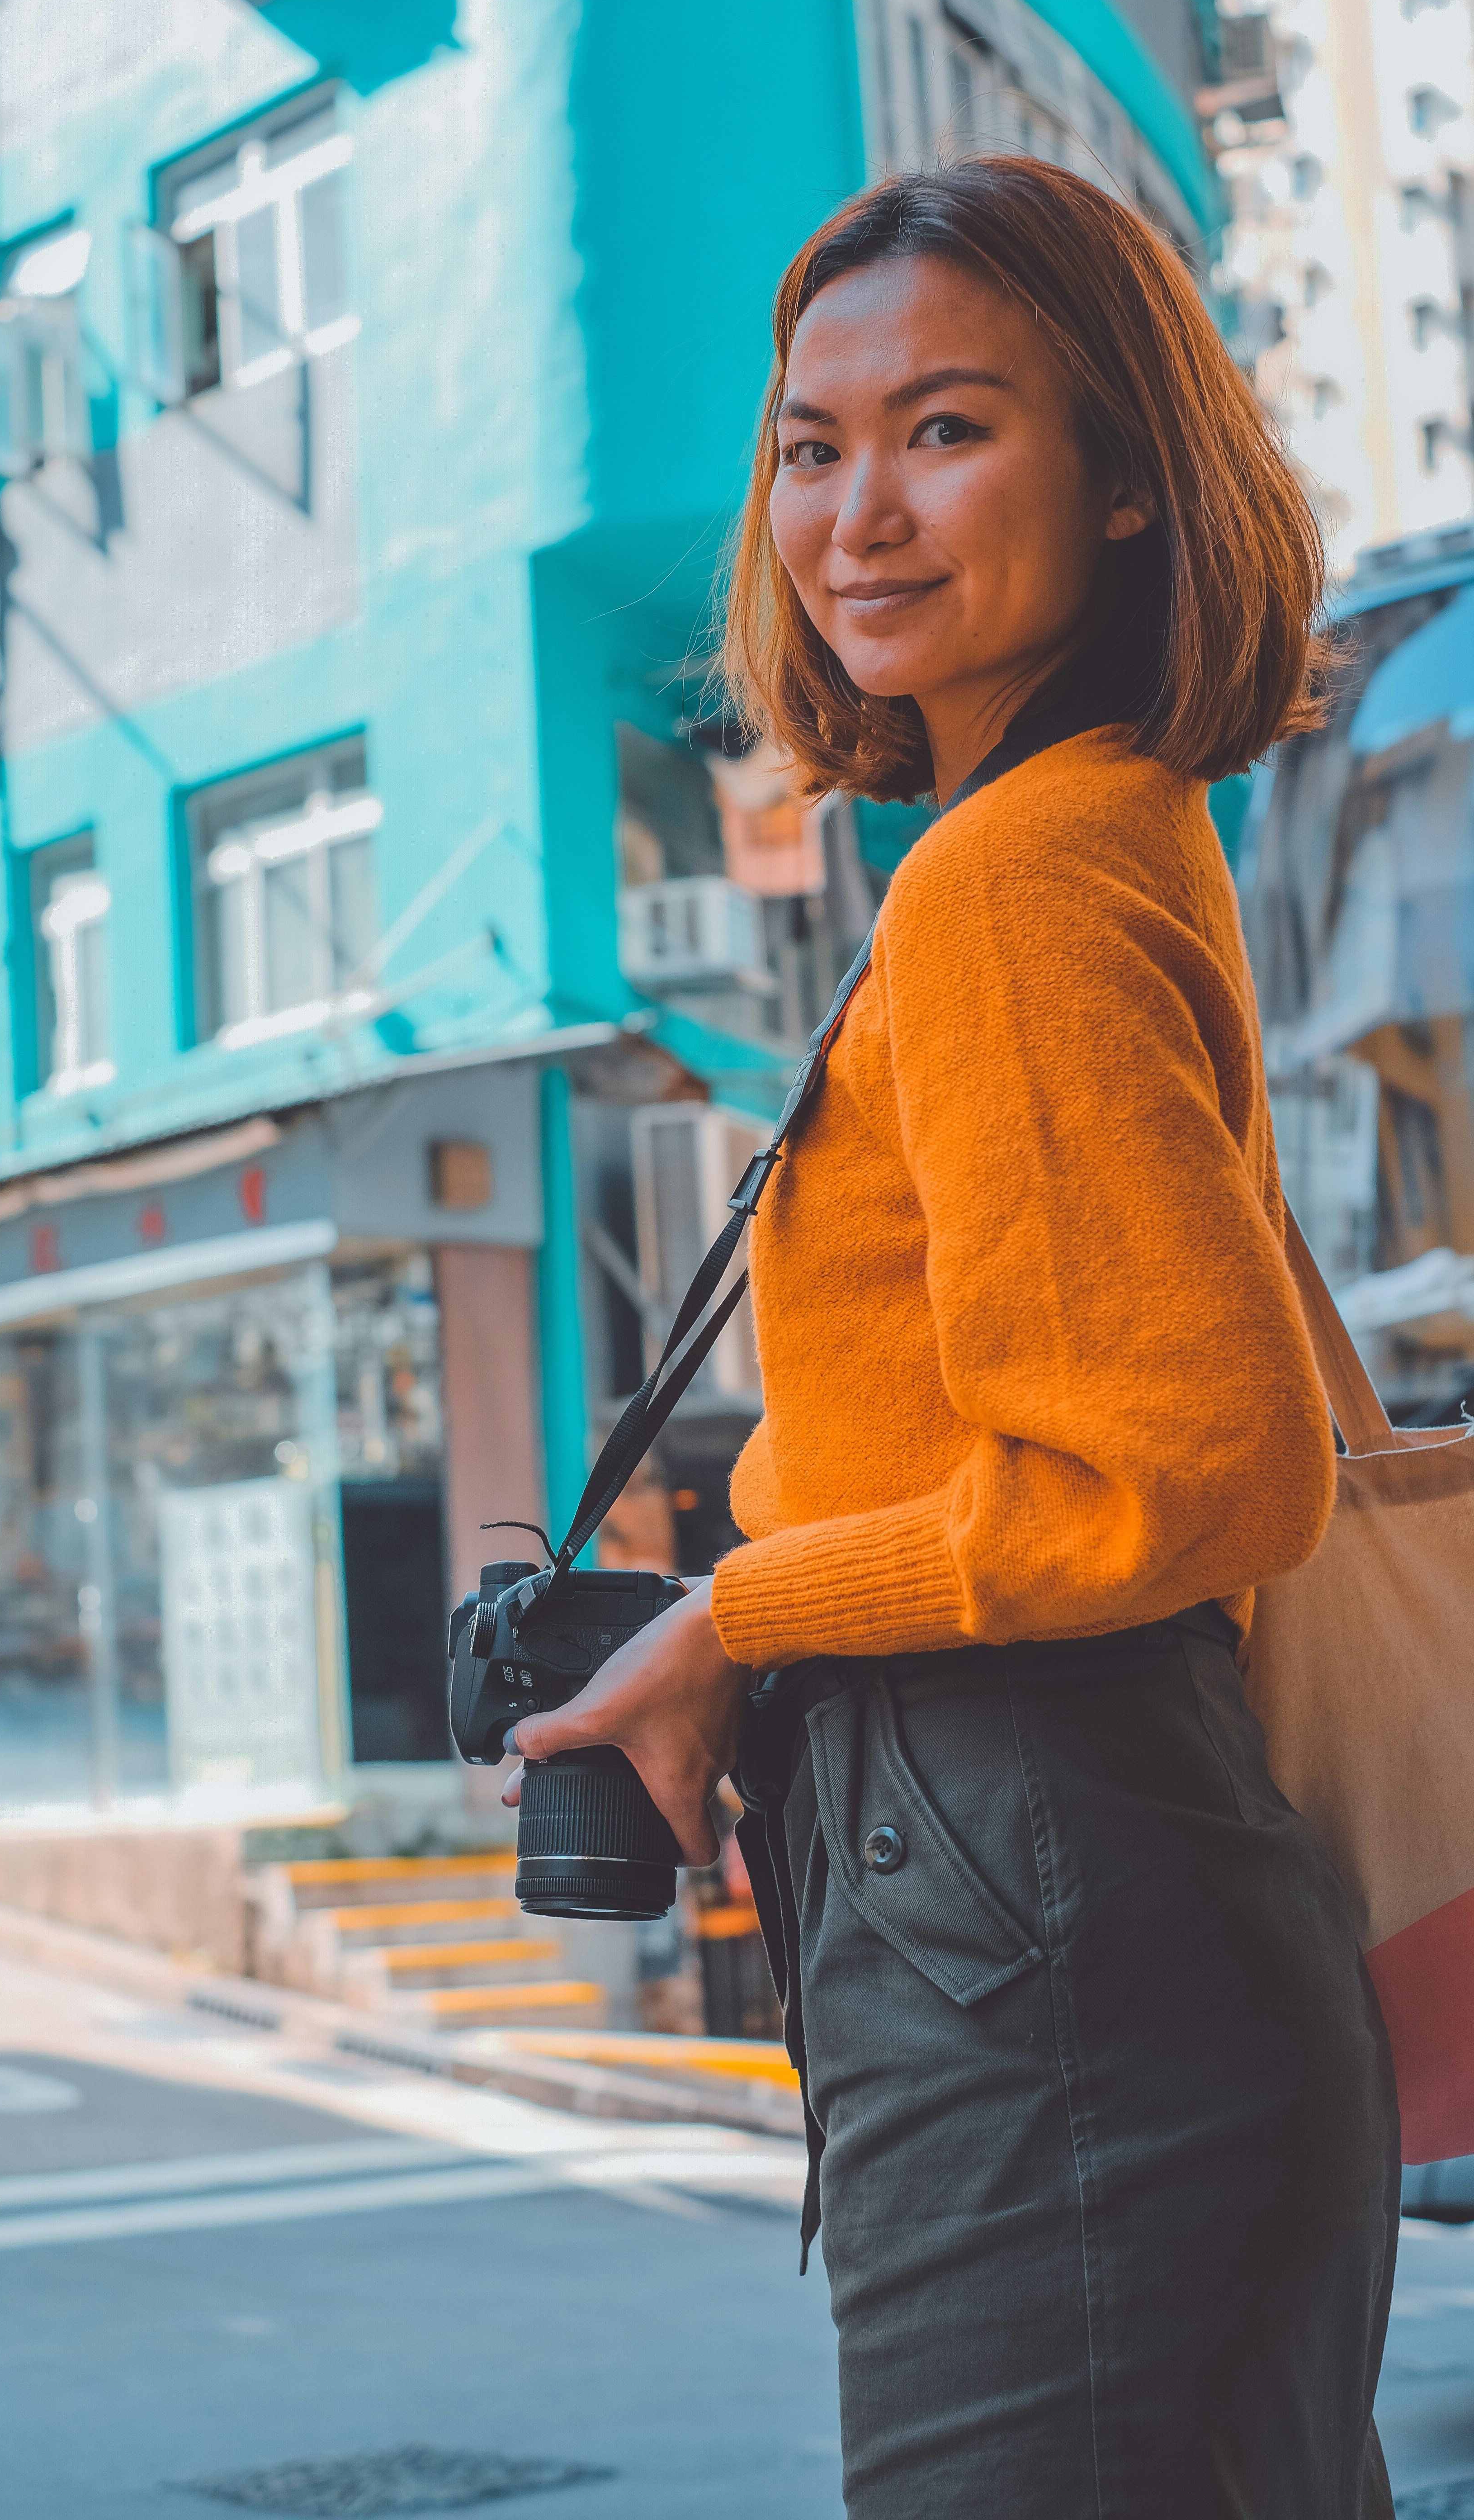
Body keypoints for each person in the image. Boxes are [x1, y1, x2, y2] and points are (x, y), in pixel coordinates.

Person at [504, 161, 1398, 2518]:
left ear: (1123, 479)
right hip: (1068, 1885)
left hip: (1040, 1904)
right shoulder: (1081, 829)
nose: (854, 516)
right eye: (811, 445)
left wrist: (733, 1604)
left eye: (946, 430)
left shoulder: (1014, 873)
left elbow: (1178, 1469)